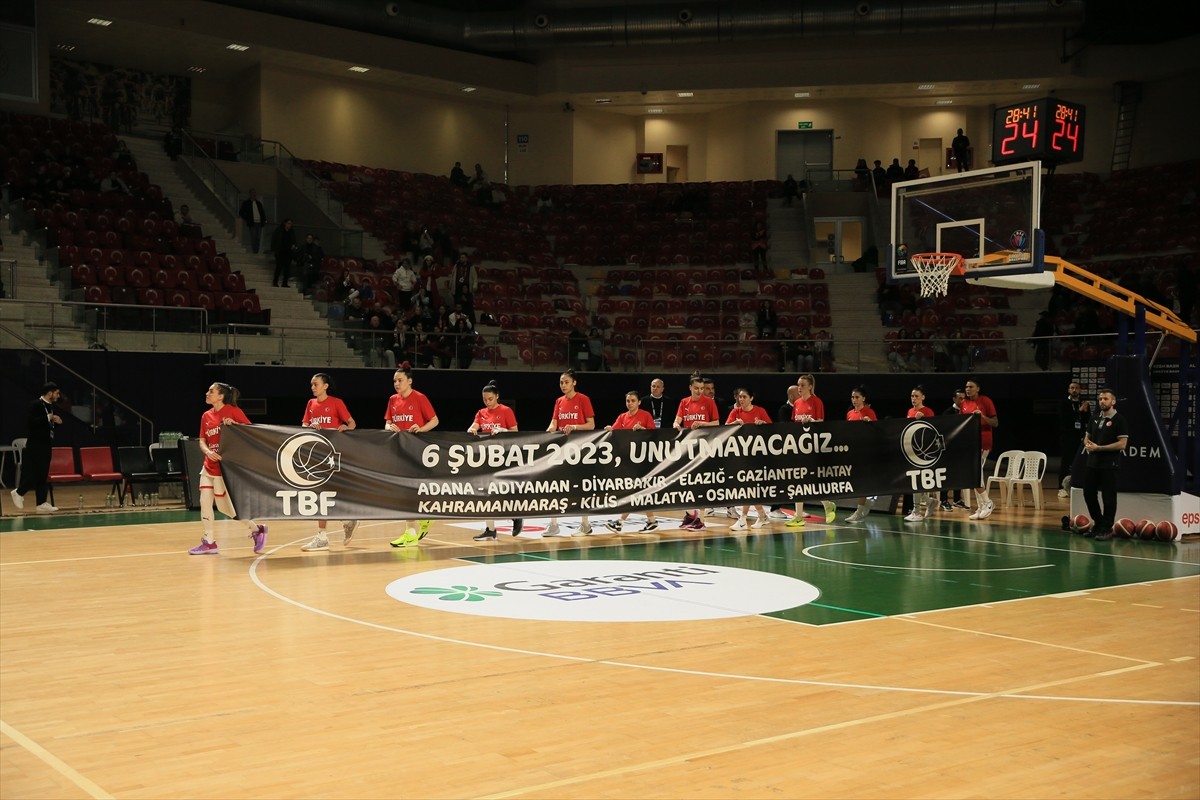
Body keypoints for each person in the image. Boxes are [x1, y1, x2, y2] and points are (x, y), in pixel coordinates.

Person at [189, 383, 268, 555]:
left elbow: (250, 433)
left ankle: (257, 529)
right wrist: (208, 451)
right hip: (208, 466)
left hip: (226, 468)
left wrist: (235, 426)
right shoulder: (206, 415)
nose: (207, 393)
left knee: (227, 509)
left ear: (221, 396)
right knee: (205, 502)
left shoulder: (233, 411)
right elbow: (202, 440)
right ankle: (209, 541)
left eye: (211, 391)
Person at [299, 373, 357, 552]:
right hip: (316, 455)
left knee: (330, 492)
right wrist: (309, 427)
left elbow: (352, 423)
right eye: (311, 385)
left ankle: (343, 521)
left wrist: (345, 427)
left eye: (316, 384)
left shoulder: (336, 402)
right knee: (319, 494)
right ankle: (326, 533)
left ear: (325, 386)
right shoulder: (311, 403)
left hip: (333, 455)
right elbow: (303, 425)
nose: (313, 387)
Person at [384, 365, 439, 548]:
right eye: (394, 381)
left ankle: (413, 530)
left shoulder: (420, 398)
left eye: (400, 380)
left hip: (418, 450)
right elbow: (387, 422)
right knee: (404, 491)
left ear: (410, 381)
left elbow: (435, 420)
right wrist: (389, 427)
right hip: (399, 450)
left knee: (412, 490)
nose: (396, 384)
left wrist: (421, 429)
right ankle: (418, 524)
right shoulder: (393, 400)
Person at [545, 369, 596, 537]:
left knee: (580, 487)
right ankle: (553, 525)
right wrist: (545, 435)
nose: (563, 385)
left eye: (567, 382)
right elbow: (553, 424)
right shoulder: (559, 401)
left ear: (574, 382)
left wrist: (574, 427)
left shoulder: (583, 399)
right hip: (561, 449)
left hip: (580, 449)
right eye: (561, 382)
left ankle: (585, 524)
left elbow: (591, 425)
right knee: (555, 486)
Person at [469, 382, 522, 541]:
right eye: (485, 399)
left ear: (497, 396)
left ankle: (516, 516)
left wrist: (503, 430)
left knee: (504, 491)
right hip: (487, 457)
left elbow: (516, 432)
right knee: (486, 493)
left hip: (504, 457)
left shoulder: (506, 411)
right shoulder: (481, 412)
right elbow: (474, 427)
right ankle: (490, 529)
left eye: (490, 399)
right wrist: (472, 429)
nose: (487, 402)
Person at [603, 391, 660, 534]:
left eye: (633, 400)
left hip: (643, 459)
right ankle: (652, 521)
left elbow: (655, 435)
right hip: (628, 460)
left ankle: (620, 522)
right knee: (639, 492)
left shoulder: (645, 415)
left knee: (635, 491)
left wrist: (643, 430)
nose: (630, 403)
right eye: (628, 401)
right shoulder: (622, 417)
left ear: (639, 402)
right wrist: (610, 429)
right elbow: (615, 430)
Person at [788, 374, 837, 527]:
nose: (799, 388)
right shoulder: (796, 403)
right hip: (798, 446)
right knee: (798, 481)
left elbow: (821, 422)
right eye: (798, 385)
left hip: (813, 446)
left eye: (802, 385)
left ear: (810, 386)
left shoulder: (816, 401)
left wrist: (811, 421)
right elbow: (794, 423)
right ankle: (798, 516)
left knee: (811, 480)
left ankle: (828, 504)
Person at [673, 375, 721, 531]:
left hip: (704, 446)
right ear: (690, 388)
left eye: (702, 388)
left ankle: (700, 519)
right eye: (697, 388)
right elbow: (677, 420)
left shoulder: (709, 402)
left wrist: (702, 424)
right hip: (688, 447)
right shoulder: (684, 402)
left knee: (700, 483)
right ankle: (690, 516)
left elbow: (716, 423)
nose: (700, 391)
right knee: (686, 482)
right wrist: (676, 425)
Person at [1081, 388, 1129, 541]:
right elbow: (1086, 437)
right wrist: (1088, 445)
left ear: (1113, 402)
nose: (1102, 401)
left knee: (1108, 497)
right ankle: (1099, 523)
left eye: (1105, 399)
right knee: (1088, 493)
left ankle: (1107, 528)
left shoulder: (1119, 420)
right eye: (1100, 399)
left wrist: (1099, 448)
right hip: (1092, 463)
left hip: (1109, 464)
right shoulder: (1094, 418)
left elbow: (1122, 444)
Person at [10, 382, 63, 513]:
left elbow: (46, 427)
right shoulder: (36, 405)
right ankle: (19, 492)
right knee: (35, 473)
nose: (58, 395)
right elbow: (31, 423)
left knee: (43, 474)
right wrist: (47, 417)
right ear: (49, 393)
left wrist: (57, 423)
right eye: (56, 393)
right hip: (35, 445)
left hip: (46, 444)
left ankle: (41, 503)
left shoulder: (50, 406)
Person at [725, 387, 772, 531]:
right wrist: (734, 424)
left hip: (756, 454)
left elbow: (772, 429)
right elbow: (725, 427)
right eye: (740, 397)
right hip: (740, 454)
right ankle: (762, 516)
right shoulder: (735, 412)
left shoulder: (760, 411)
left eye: (744, 397)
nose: (741, 400)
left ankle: (743, 519)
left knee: (748, 486)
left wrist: (762, 425)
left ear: (751, 398)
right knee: (748, 487)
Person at [963, 379, 999, 520]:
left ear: (978, 388)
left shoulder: (986, 401)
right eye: (966, 387)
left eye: (971, 386)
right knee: (975, 475)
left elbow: (995, 423)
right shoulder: (965, 403)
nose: (968, 389)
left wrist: (982, 416)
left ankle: (988, 503)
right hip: (970, 443)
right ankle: (981, 506)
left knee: (976, 473)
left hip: (983, 442)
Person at [903, 386, 938, 523]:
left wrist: (924, 419)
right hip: (911, 451)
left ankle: (917, 511)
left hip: (924, 453)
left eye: (916, 396)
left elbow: (933, 430)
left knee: (916, 482)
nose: (913, 399)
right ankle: (930, 502)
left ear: (923, 397)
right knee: (914, 482)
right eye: (912, 396)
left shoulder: (927, 411)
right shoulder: (910, 411)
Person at [843, 386, 878, 523]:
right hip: (854, 452)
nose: (854, 400)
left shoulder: (869, 412)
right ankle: (863, 507)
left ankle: (861, 509)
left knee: (863, 482)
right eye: (852, 397)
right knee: (859, 482)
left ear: (863, 398)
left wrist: (870, 424)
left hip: (867, 452)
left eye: (857, 397)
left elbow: (876, 431)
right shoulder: (850, 413)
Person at [1057, 382, 1091, 498]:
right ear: (1068, 390)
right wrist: (1079, 411)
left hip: (1080, 437)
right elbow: (1065, 419)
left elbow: (1087, 420)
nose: (1074, 390)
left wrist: (1085, 411)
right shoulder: (1064, 403)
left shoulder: (1084, 403)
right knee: (1066, 462)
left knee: (1081, 461)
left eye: (1076, 388)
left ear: (1080, 390)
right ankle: (1061, 488)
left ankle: (1079, 485)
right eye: (1072, 388)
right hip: (1067, 437)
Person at [941, 389, 969, 510]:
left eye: (964, 398)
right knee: (946, 475)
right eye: (960, 398)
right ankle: (944, 500)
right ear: (954, 399)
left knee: (959, 473)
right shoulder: (948, 412)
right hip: (949, 448)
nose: (963, 401)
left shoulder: (966, 412)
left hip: (960, 448)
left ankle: (957, 500)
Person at [239, 188, 266, 254]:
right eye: (252, 192)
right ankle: (255, 251)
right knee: (253, 237)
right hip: (252, 223)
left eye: (255, 193)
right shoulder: (246, 203)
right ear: (250, 194)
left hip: (259, 222)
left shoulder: (259, 203)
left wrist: (264, 220)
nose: (254, 194)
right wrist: (247, 218)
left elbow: (262, 213)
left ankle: (257, 250)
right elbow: (241, 212)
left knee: (258, 238)